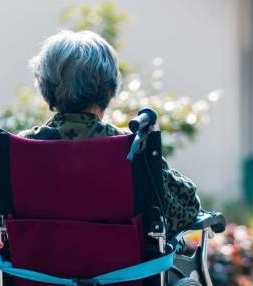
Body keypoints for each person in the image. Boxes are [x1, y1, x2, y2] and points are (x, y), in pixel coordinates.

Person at [21, 30, 201, 232]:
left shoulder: (22, 147)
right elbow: (187, 209)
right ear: (109, 88)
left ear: (46, 88)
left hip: (39, 261)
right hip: (122, 262)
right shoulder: (130, 146)